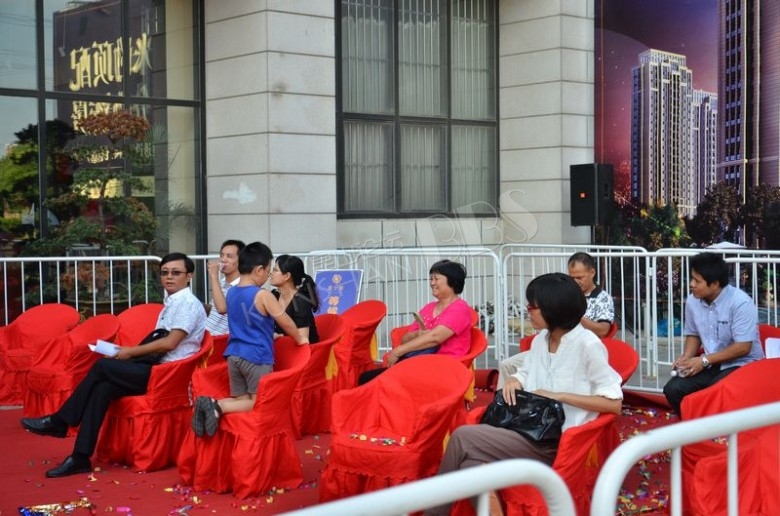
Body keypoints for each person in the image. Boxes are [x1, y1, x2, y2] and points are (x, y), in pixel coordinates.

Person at [424, 273, 623, 516]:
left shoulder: (588, 345)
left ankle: (434, 513)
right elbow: (526, 372)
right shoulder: (541, 340)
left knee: (462, 437)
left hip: (554, 441)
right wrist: (515, 381)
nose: (527, 311)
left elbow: (613, 403)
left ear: (554, 309)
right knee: (469, 464)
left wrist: (558, 396)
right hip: (526, 428)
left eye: (532, 307)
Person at [21, 252, 207, 478]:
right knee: (103, 388)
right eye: (165, 272)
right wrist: (129, 353)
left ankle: (60, 421)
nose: (169, 277)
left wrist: (129, 352)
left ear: (189, 276)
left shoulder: (187, 303)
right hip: (155, 367)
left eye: (175, 273)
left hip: (167, 375)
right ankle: (80, 457)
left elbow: (170, 343)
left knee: (103, 367)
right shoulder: (174, 301)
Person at [191, 242, 308, 438]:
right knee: (258, 401)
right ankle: (217, 405)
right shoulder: (263, 295)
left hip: (233, 356)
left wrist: (271, 334)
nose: (268, 276)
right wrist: (300, 339)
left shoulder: (232, 292)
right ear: (259, 270)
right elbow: (286, 322)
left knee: (241, 401)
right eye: (268, 271)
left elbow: (243, 320)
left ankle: (210, 404)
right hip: (256, 357)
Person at [663, 252, 764, 417]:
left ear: (715, 284)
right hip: (711, 363)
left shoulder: (741, 302)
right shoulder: (692, 301)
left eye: (697, 281)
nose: (691, 284)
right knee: (673, 389)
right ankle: (694, 428)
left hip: (742, 365)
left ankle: (718, 430)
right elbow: (693, 334)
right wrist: (686, 358)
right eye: (692, 279)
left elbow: (743, 347)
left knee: (714, 391)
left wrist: (704, 361)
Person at [497, 251, 615, 387]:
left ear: (592, 272)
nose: (575, 282)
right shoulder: (541, 340)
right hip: (553, 342)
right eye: (571, 277)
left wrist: (572, 313)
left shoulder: (602, 299)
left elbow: (603, 330)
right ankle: (504, 399)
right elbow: (525, 371)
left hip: (575, 348)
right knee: (509, 366)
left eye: (579, 277)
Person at [358, 259, 472, 385]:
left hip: (444, 369)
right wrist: (416, 334)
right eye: (431, 279)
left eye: (436, 278)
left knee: (371, 381)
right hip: (420, 364)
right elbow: (404, 339)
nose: (432, 283)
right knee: (366, 378)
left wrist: (398, 351)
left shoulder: (460, 309)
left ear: (452, 281)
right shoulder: (429, 308)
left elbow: (435, 338)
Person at [270, 254, 320, 343]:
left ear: (287, 276)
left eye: (275, 270)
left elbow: (303, 339)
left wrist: (279, 337)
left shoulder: (301, 302)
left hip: (304, 350)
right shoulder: (274, 296)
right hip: (280, 346)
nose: (271, 273)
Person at [204, 239, 245, 336]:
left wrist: (214, 276)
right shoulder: (222, 282)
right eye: (222, 255)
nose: (223, 260)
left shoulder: (242, 286)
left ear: (241, 261)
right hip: (207, 334)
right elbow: (214, 309)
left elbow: (222, 308)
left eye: (229, 256)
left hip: (220, 339)